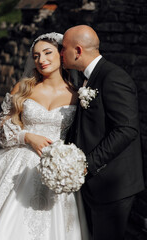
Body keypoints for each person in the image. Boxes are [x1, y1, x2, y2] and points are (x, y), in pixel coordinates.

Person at [0, 32, 88, 240]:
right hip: (20, 165)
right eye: (36, 56)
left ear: (61, 54)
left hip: (57, 169)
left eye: (47, 53)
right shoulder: (23, 89)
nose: (41, 60)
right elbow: (2, 131)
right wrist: (27, 137)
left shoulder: (77, 95)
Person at [61, 25, 145, 240]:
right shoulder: (86, 77)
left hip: (112, 185)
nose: (61, 53)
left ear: (78, 51)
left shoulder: (113, 77)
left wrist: (87, 165)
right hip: (94, 185)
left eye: (64, 49)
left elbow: (127, 129)